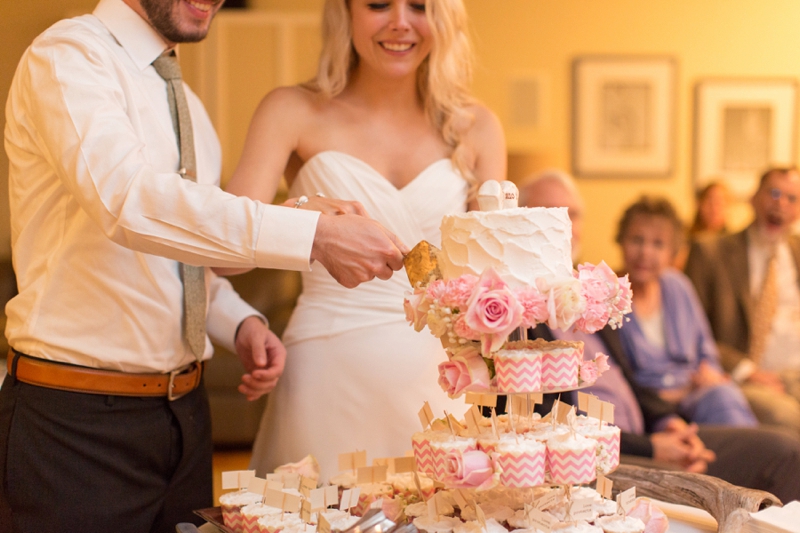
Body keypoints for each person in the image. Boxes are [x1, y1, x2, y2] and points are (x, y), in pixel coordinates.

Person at [0, 0, 410, 530]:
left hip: (185, 418)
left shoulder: (187, 103)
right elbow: (131, 204)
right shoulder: (70, 56)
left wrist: (238, 321)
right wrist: (313, 234)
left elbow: (180, 244)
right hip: (74, 422)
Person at [218, 0, 506, 480]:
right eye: (377, 4)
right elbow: (223, 255)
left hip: (442, 384)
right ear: (345, 12)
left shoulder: (477, 127)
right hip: (326, 374)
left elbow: (494, 279)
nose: (399, 21)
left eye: (419, 5)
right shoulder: (290, 110)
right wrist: (307, 218)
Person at [519, 171, 800, 504]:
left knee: (786, 449)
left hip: (652, 426)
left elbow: (631, 381)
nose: (562, 224)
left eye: (572, 214)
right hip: (612, 451)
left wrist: (670, 424)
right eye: (549, 212)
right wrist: (654, 445)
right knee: (727, 462)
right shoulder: (517, 308)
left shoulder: (587, 291)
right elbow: (548, 417)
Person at [615, 196, 756, 427]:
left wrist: (708, 372)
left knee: (725, 397)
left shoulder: (679, 286)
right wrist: (673, 394)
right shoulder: (606, 293)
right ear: (621, 240)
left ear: (672, 252)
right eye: (636, 240)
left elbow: (706, 349)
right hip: (649, 406)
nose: (645, 253)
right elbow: (614, 376)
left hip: (695, 393)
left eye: (658, 244)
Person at [685, 167, 800, 433]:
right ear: (753, 198)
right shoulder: (711, 253)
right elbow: (691, 333)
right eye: (773, 193)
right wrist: (746, 371)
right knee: (788, 421)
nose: (781, 204)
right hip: (750, 377)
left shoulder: (796, 253)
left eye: (792, 199)